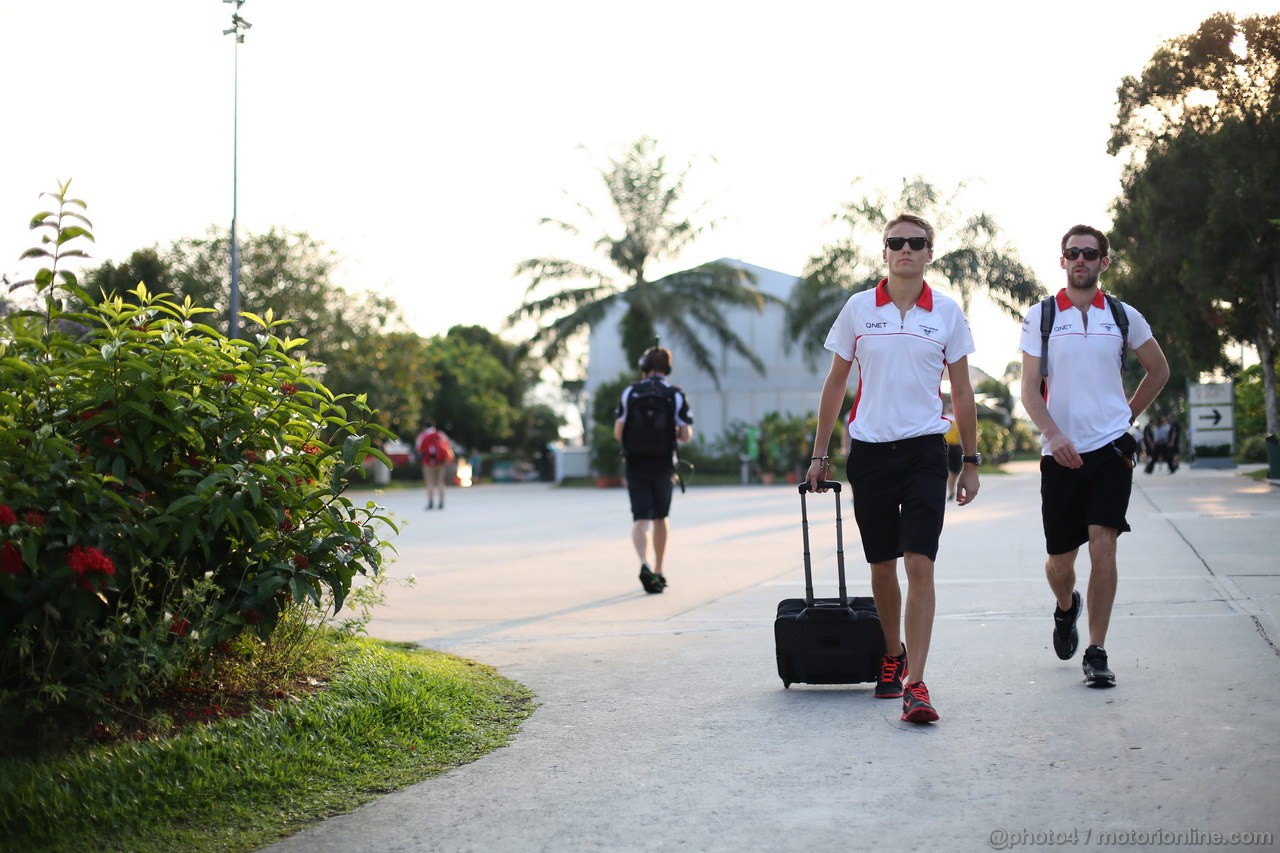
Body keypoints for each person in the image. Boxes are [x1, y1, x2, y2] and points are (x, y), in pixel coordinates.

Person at [804, 213, 980, 724]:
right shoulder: (859, 309)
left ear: (929, 253)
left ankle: (917, 685)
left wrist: (969, 461)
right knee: (882, 564)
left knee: (918, 562)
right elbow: (835, 384)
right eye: (896, 242)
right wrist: (819, 455)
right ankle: (892, 654)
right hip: (872, 453)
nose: (906, 249)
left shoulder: (946, 314)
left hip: (926, 451)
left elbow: (963, 392)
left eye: (916, 242)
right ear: (884, 252)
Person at [1019, 224, 1169, 688]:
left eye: (1089, 253)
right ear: (1062, 261)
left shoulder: (1123, 316)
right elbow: (1028, 390)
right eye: (1072, 253)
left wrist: (1124, 417)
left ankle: (1097, 649)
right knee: (1060, 562)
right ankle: (1067, 609)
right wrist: (1052, 434)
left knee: (1104, 544)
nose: (1080, 260)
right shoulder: (1041, 317)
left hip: (1110, 452)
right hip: (1059, 454)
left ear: (1104, 261)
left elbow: (1158, 370)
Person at [614, 346, 693, 594]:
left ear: (644, 366)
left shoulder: (630, 392)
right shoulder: (675, 395)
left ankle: (644, 563)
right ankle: (659, 571)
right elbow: (686, 435)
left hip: (636, 463)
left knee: (640, 520)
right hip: (663, 464)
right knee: (661, 517)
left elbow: (618, 432)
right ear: (667, 368)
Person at [415, 418, 454, 510]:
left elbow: (419, 448)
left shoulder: (422, 436)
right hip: (440, 462)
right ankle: (441, 502)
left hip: (427, 462)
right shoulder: (440, 434)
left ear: (424, 427)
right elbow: (448, 445)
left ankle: (431, 503)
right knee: (441, 482)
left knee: (430, 482)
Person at [943, 404, 963, 501]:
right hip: (956, 448)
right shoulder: (957, 422)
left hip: (945, 446)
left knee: (949, 470)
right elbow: (961, 438)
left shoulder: (942, 420)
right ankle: (951, 489)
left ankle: (951, 490)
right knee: (955, 471)